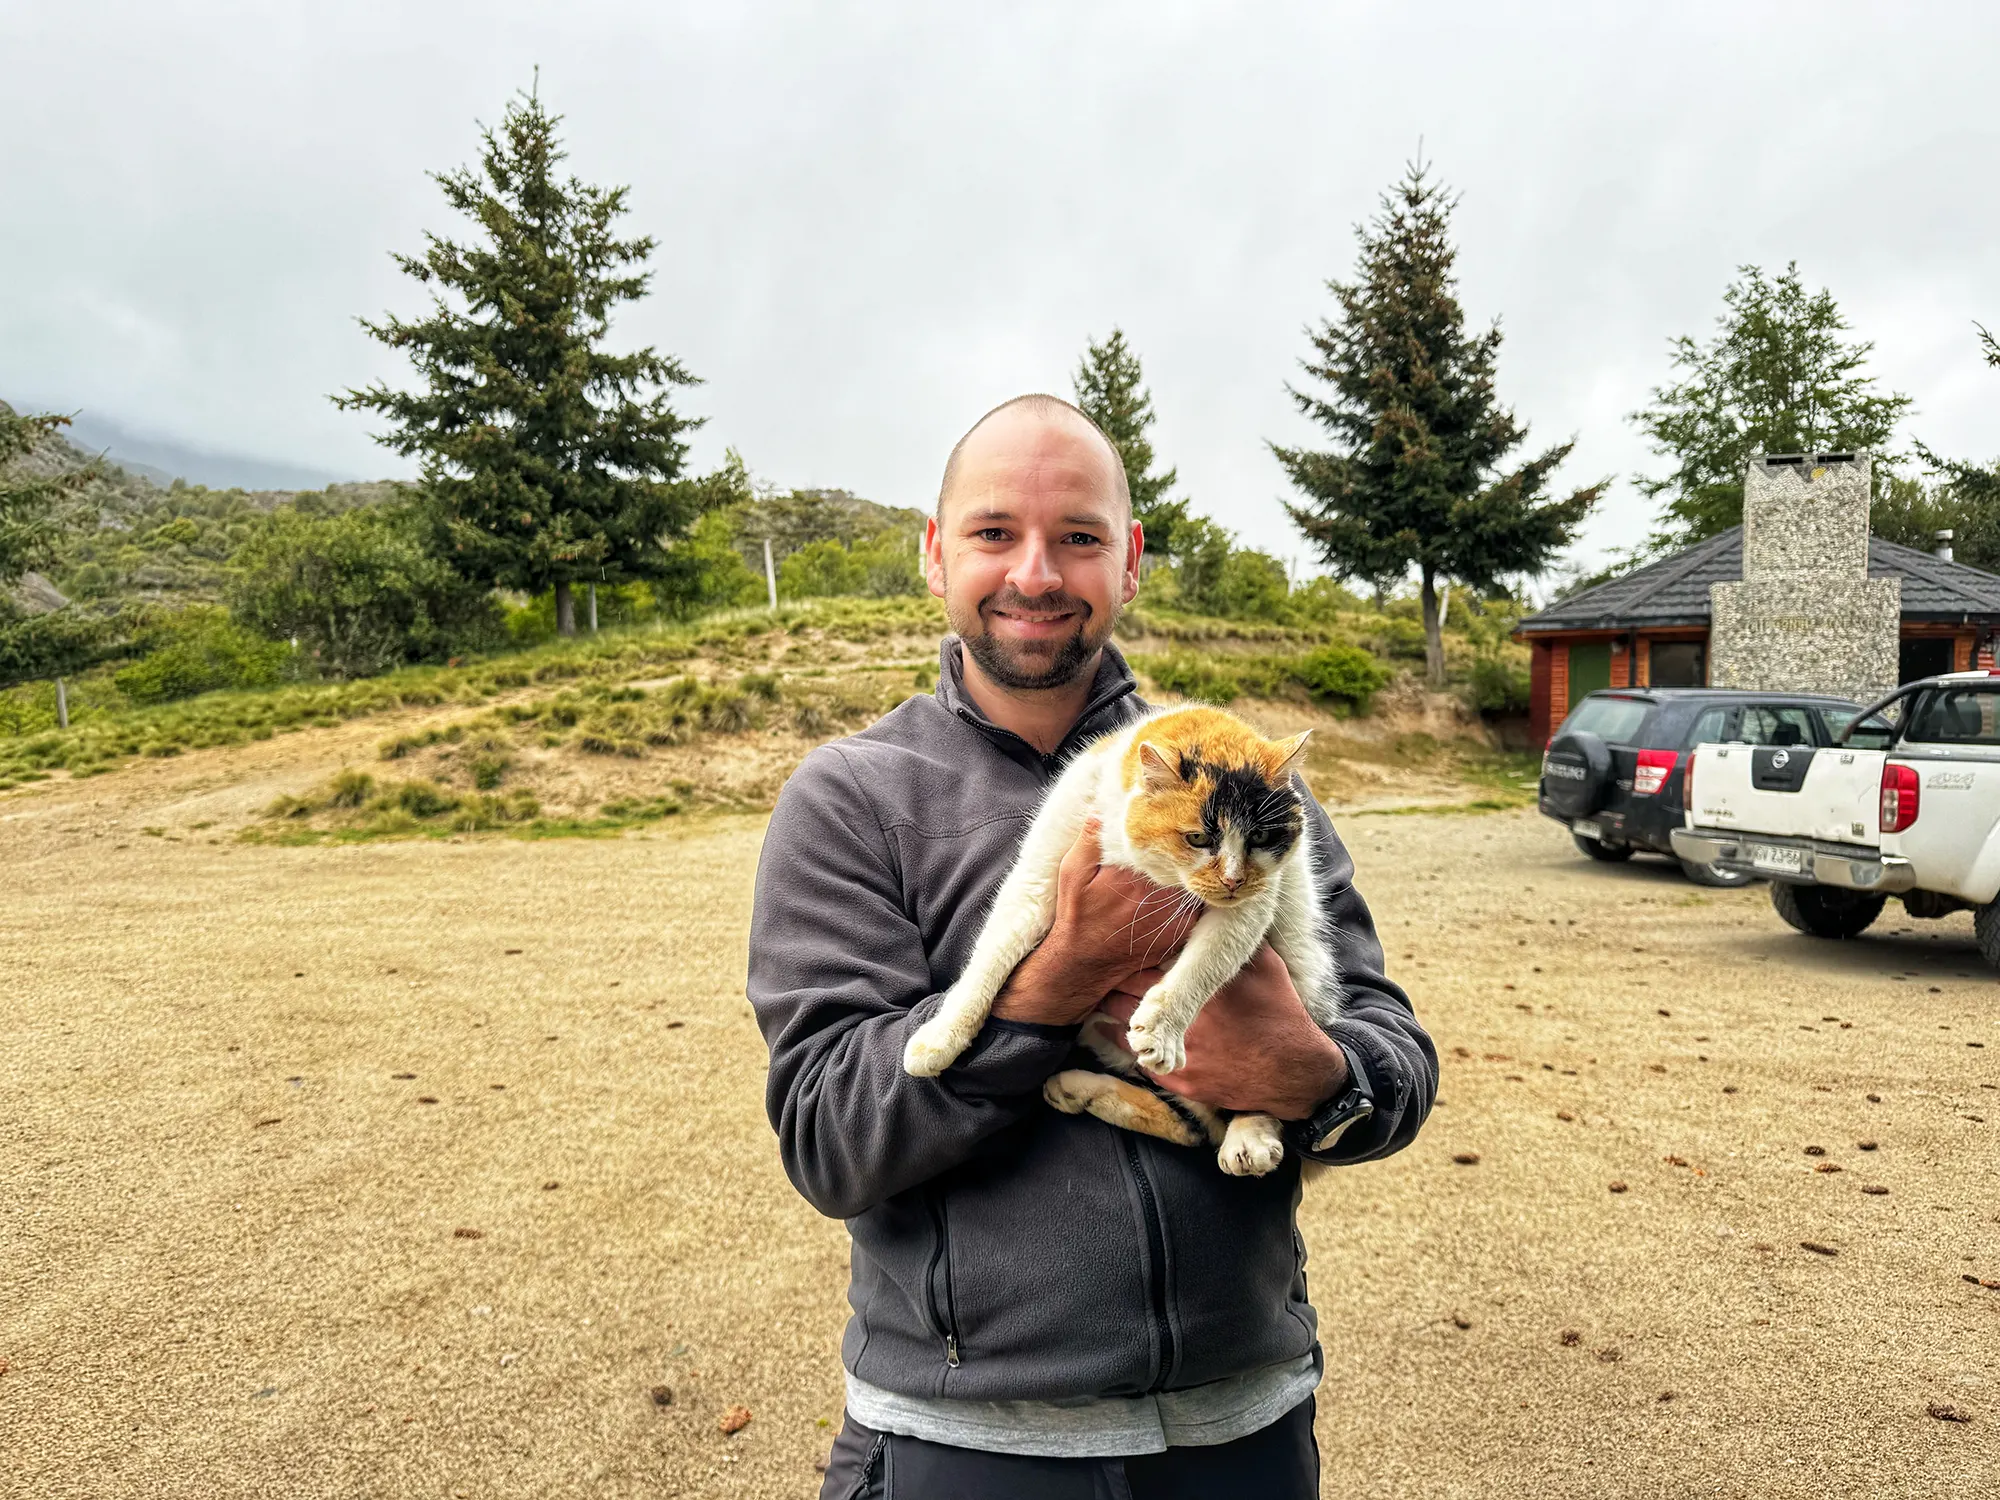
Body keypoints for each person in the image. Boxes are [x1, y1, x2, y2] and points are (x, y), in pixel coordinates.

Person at [748, 394, 1437, 1498]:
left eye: (1078, 536)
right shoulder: (850, 799)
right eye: (990, 533)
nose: (1034, 572)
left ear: (1130, 562)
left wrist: (1313, 1077)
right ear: (932, 556)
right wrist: (1058, 975)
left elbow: (1394, 1059)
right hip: (962, 1447)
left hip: (1243, 1430)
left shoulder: (1246, 781)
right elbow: (831, 1140)